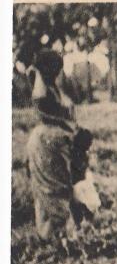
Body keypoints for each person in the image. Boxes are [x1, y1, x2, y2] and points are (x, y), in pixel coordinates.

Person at [25, 49, 94, 240]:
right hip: (51, 143)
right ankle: (61, 233)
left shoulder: (51, 89)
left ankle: (56, 232)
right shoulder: (43, 91)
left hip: (50, 140)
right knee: (57, 188)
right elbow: (51, 114)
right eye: (56, 68)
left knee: (59, 187)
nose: (58, 72)